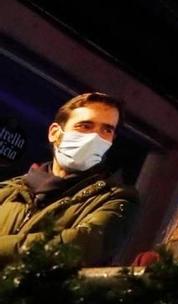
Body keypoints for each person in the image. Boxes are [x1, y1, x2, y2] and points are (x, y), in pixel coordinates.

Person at [0, 91, 139, 266]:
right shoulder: (8, 190)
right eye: (85, 126)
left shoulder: (115, 197)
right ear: (54, 133)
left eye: (107, 130)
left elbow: (78, 246)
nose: (95, 137)